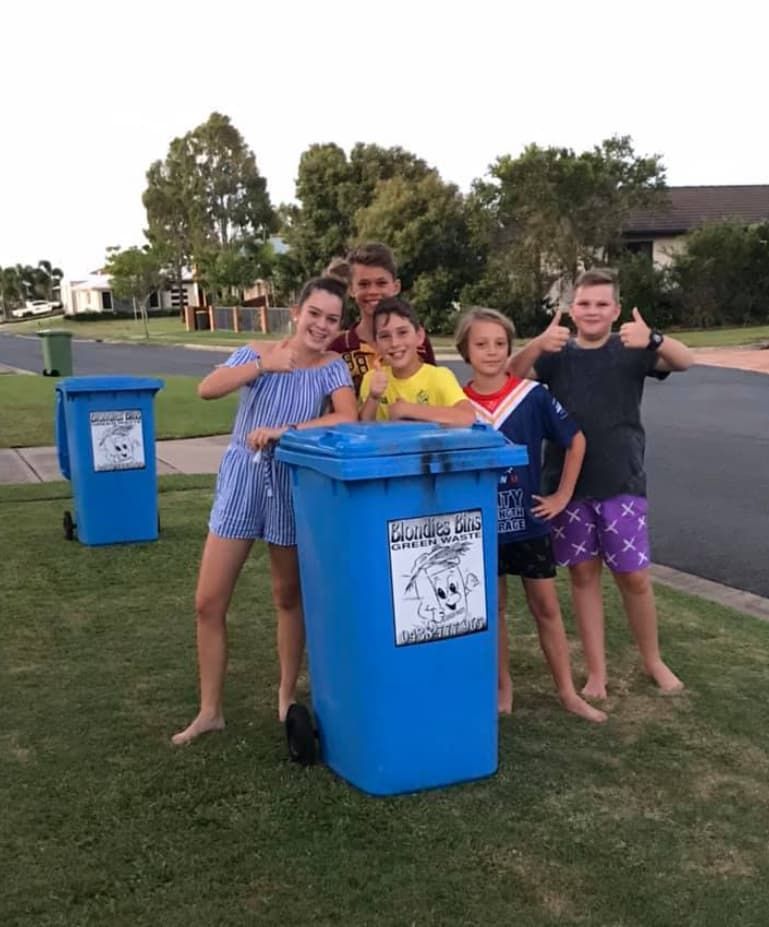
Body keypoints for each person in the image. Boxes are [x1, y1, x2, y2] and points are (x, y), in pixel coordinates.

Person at [172, 276, 357, 745]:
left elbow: (346, 417)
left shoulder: (333, 367)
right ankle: (210, 710)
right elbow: (208, 389)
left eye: (331, 319)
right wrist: (262, 365)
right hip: (242, 478)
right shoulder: (258, 350)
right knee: (208, 601)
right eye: (314, 313)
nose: (320, 325)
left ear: (339, 326)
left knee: (287, 596)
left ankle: (285, 693)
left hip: (290, 481)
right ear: (297, 312)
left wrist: (286, 430)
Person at [508, 268, 693, 699]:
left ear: (614, 310)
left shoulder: (630, 350)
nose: (592, 311)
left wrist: (655, 338)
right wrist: (537, 343)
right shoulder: (556, 356)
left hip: (622, 482)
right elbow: (512, 380)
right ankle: (596, 672)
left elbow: (686, 361)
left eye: (602, 304)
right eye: (585, 304)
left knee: (635, 578)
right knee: (583, 576)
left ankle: (653, 660)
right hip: (567, 488)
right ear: (573, 310)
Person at [456, 308, 606, 722]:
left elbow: (576, 441)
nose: (491, 352)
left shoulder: (531, 395)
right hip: (481, 526)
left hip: (528, 520)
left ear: (510, 347)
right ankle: (503, 686)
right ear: (465, 350)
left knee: (546, 607)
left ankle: (568, 692)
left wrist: (561, 496)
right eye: (481, 344)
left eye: (500, 344)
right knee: (495, 608)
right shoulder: (457, 405)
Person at [327, 243, 436, 395]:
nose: (373, 291)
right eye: (364, 284)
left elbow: (435, 392)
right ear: (351, 289)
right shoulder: (338, 348)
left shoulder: (417, 341)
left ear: (395, 287)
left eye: (381, 283)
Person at [359, 297, 474, 425]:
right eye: (385, 336)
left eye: (402, 332)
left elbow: (467, 417)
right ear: (376, 344)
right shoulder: (371, 379)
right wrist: (373, 397)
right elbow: (363, 429)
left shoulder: (439, 376)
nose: (394, 343)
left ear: (419, 336)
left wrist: (409, 410)